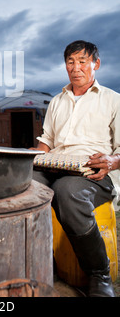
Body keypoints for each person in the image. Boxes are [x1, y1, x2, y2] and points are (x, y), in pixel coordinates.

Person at [33, 40, 120, 297]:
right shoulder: (57, 101)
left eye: (82, 61)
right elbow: (46, 142)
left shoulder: (114, 100)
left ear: (96, 64)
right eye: (70, 62)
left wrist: (113, 161)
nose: (76, 67)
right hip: (56, 165)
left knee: (67, 190)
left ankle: (98, 274)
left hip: (94, 172)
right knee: (24, 184)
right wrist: (25, 158)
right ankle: (43, 264)